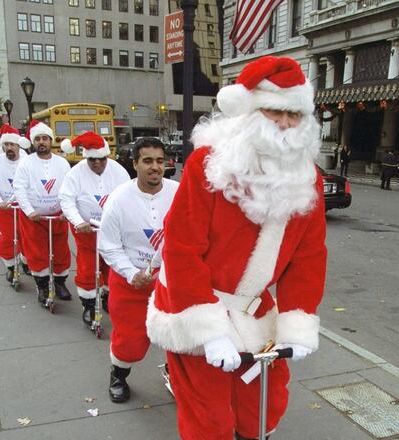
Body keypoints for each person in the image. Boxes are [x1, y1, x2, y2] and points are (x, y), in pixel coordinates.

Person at [146, 56, 327, 440]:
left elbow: (308, 257)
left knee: (262, 411)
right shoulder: (208, 165)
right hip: (196, 302)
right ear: (248, 111)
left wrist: (298, 320)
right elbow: (181, 248)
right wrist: (208, 330)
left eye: (293, 115)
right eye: (274, 110)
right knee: (210, 422)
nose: (283, 123)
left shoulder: (307, 177)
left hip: (255, 311)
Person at [98, 137, 178, 403]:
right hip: (129, 281)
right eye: (147, 161)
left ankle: (175, 373)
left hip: (172, 281)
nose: (155, 167)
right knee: (129, 339)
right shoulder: (118, 200)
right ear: (135, 164)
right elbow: (108, 245)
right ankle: (118, 375)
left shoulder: (179, 192)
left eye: (159, 161)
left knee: (179, 333)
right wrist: (132, 273)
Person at [59, 131, 130, 326]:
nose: (97, 163)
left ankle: (109, 295)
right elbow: (66, 199)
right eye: (92, 159)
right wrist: (78, 221)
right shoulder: (75, 173)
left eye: (101, 159)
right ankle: (89, 304)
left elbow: (127, 196)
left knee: (112, 264)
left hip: (112, 230)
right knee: (88, 266)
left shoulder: (118, 170)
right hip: (86, 230)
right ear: (86, 157)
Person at [13, 120, 73, 304]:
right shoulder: (25, 164)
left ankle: (60, 282)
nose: (41, 142)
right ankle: (43, 286)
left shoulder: (62, 163)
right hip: (34, 218)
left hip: (58, 217)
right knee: (37, 252)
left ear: (50, 141)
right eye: (37, 139)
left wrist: (66, 210)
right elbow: (19, 188)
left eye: (45, 138)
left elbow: (69, 188)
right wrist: (30, 211)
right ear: (33, 141)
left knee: (60, 250)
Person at [0, 125, 29, 282]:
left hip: (24, 207)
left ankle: (26, 261)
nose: (9, 148)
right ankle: (11, 266)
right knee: (9, 237)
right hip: (5, 207)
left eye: (12, 144)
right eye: (6, 145)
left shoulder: (27, 161)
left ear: (18, 145)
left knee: (26, 236)